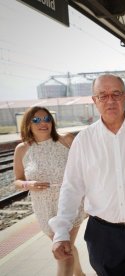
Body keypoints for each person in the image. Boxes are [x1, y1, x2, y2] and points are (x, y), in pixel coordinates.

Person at [49, 74, 125, 276]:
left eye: (116, 94)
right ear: (94, 100)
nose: (110, 100)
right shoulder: (84, 140)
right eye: (102, 95)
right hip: (102, 233)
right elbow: (72, 187)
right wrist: (61, 232)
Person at [13, 106, 86, 276]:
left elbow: (85, 167)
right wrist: (28, 184)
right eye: (36, 120)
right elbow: (17, 180)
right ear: (28, 124)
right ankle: (80, 274)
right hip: (43, 207)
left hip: (70, 202)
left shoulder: (66, 140)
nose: (43, 123)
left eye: (46, 119)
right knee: (65, 245)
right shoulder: (22, 149)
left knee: (62, 249)